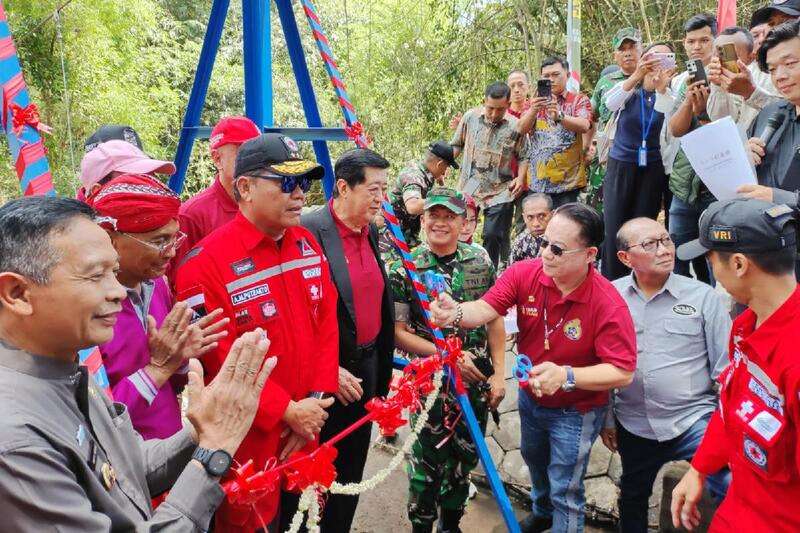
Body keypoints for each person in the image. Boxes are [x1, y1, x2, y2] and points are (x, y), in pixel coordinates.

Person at [0, 196, 276, 530]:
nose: (118, 291)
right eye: (95, 275)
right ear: (17, 293)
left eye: (114, 272)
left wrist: (200, 432)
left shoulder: (67, 371)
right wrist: (213, 454)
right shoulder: (15, 440)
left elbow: (127, 469)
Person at [431, 203, 637, 533]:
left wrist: (567, 375)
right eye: (543, 243)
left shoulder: (607, 303)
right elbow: (485, 308)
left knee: (566, 487)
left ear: (590, 255)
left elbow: (623, 371)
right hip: (532, 399)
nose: (546, 254)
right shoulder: (525, 273)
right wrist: (454, 312)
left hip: (577, 409)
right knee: (534, 460)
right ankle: (542, 513)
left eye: (557, 249)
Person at [175, 133, 339, 531]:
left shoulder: (306, 244)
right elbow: (219, 358)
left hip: (308, 425)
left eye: (304, 182)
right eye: (286, 182)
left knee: (308, 520)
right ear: (245, 188)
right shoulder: (204, 265)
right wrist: (287, 412)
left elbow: (326, 325)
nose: (299, 193)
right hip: (247, 439)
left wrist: (314, 406)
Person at [671, 198, 800, 531]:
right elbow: (734, 408)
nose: (713, 271)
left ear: (739, 264)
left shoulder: (793, 358)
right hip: (738, 509)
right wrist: (699, 468)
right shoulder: (746, 327)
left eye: (711, 260)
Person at [389, 187, 506, 533]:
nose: (440, 223)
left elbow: (494, 319)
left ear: (464, 222)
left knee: (464, 461)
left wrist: (499, 374)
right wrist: (446, 356)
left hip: (473, 382)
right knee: (425, 468)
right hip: (429, 385)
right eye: (433, 215)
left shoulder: (480, 261)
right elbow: (398, 333)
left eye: (449, 216)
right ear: (423, 219)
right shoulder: (405, 266)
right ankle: (421, 527)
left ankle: (451, 525)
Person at [606, 217, 731, 533]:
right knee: (632, 494)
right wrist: (607, 418)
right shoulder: (609, 297)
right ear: (625, 257)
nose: (664, 250)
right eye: (650, 244)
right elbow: (601, 362)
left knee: (730, 482)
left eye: (666, 240)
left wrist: (725, 424)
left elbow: (727, 371)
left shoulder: (703, 297)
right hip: (633, 422)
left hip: (693, 420)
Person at [85, 173, 229, 440]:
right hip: (123, 460)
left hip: (167, 450)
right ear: (110, 238)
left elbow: (169, 386)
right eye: (159, 241)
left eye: (174, 239)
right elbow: (96, 419)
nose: (171, 252)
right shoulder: (85, 309)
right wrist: (158, 369)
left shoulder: (157, 285)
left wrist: (179, 359)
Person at [300, 148, 395, 532]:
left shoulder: (370, 231)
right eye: (373, 189)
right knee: (314, 476)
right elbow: (295, 316)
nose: (381, 198)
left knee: (351, 471)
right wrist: (326, 369)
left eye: (384, 189)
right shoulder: (308, 231)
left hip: (367, 371)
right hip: (327, 379)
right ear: (343, 187)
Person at [601, 46, 672, 280]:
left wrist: (662, 89)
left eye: (665, 58)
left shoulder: (671, 93)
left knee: (644, 227)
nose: (657, 63)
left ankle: (643, 279)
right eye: (653, 57)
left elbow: (671, 119)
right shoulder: (630, 91)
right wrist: (637, 75)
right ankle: (612, 282)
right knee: (614, 226)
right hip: (621, 165)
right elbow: (609, 104)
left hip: (652, 167)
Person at [451, 81, 530, 268]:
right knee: (458, 227)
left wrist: (520, 178)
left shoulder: (516, 126)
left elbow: (524, 156)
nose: (494, 114)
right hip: (469, 185)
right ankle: (458, 267)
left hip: (499, 189)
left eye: (500, 110)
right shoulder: (470, 118)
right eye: (490, 108)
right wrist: (443, 165)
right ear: (484, 102)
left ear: (508, 105)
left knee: (493, 235)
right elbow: (456, 144)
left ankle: (488, 273)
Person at [175, 116, 261, 266]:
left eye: (259, 153)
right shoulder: (192, 216)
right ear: (217, 159)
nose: (255, 161)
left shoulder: (267, 204)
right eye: (244, 153)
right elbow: (179, 274)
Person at [520, 56, 593, 209]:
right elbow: (521, 129)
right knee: (539, 223)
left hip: (569, 184)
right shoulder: (532, 104)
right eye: (546, 76)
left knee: (568, 223)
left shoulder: (579, 100)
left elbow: (584, 125)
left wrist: (560, 116)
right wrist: (534, 109)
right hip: (538, 184)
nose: (551, 80)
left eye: (555, 74)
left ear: (567, 75)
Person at [744, 20, 800, 212]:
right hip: (759, 224)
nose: (779, 76)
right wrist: (744, 159)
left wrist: (778, 198)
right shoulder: (769, 113)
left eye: (790, 64)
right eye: (773, 69)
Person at [383, 140, 459, 249]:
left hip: (407, 237)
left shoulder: (425, 173)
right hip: (391, 239)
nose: (445, 171)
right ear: (439, 164)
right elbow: (413, 206)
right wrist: (445, 200)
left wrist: (439, 181)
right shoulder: (414, 176)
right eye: (446, 167)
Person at [77, 140, 176, 202]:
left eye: (153, 178)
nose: (152, 187)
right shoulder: (77, 228)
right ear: (97, 191)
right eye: (137, 182)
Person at [509, 193, 552, 264]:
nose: (536, 224)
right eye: (530, 217)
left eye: (541, 216)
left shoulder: (563, 238)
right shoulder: (520, 243)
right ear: (524, 218)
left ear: (552, 214)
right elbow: (512, 269)